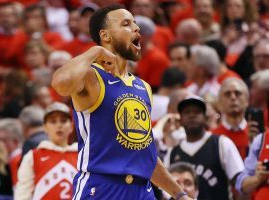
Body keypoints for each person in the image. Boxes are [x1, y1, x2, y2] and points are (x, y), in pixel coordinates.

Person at [52, 4, 192, 200]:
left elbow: (146, 155)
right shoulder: (92, 76)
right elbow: (60, 84)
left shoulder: (143, 87)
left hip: (143, 191)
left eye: (135, 23)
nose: (136, 28)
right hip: (102, 187)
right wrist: (94, 52)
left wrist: (180, 195)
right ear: (106, 36)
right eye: (126, 24)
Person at [170, 96, 244, 200]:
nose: (191, 115)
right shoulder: (173, 152)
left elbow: (240, 183)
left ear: (205, 117)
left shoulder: (222, 143)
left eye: (196, 112)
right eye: (187, 112)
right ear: (181, 119)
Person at [15, 102, 78, 200]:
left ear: (71, 126)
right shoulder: (33, 156)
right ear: (44, 127)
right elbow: (23, 193)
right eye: (53, 121)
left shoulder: (82, 155)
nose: (59, 125)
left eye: (63, 121)